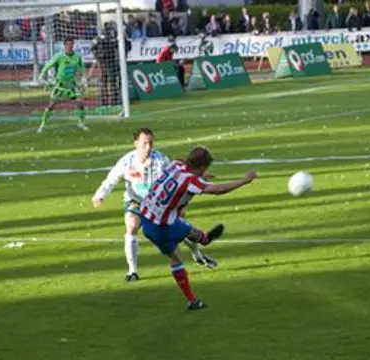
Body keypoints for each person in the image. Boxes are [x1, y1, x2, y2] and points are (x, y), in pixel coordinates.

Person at [140, 146, 257, 310]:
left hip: (148, 214)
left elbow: (179, 177)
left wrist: (202, 177)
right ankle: (192, 301)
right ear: (202, 167)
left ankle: (205, 239)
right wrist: (244, 181)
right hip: (161, 226)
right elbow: (218, 190)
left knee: (193, 233)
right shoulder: (190, 181)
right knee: (176, 259)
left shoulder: (176, 164)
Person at [92, 129, 218, 281]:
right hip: (136, 201)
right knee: (131, 226)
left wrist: (199, 175)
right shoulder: (127, 161)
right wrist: (100, 195)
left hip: (157, 204)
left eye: (151, 143)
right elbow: (111, 179)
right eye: (144, 143)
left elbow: (178, 173)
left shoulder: (160, 159)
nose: (148, 147)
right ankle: (132, 271)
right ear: (136, 143)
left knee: (182, 231)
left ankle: (197, 254)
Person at [37, 37, 87, 133]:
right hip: (60, 84)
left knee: (80, 102)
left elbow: (81, 67)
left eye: (71, 44)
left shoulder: (77, 56)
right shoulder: (59, 56)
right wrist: (41, 76)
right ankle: (42, 124)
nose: (69, 46)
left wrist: (84, 79)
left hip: (72, 84)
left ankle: (81, 123)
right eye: (68, 45)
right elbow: (48, 65)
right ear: (64, 46)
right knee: (51, 104)